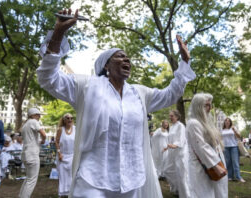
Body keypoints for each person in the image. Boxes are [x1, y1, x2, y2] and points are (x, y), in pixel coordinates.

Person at [37, 9, 196, 198]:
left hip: (131, 180)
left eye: (128, 58)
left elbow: (171, 94)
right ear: (106, 65)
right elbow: (49, 78)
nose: (126, 59)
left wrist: (185, 62)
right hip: (92, 180)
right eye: (120, 56)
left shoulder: (139, 93)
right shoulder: (87, 86)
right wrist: (58, 33)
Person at [186, 93, 228, 198]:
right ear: (198, 106)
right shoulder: (193, 123)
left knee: (218, 192)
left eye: (210, 105)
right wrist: (215, 165)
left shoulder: (206, 121)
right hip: (202, 166)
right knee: (204, 193)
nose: (210, 108)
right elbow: (201, 146)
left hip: (212, 162)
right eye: (206, 105)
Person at [19, 107, 46, 198]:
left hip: (25, 153)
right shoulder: (33, 122)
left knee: (28, 178)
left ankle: (21, 196)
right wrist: (43, 140)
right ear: (33, 115)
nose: (39, 117)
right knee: (32, 180)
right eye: (38, 115)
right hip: (32, 154)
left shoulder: (25, 124)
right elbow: (43, 134)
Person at [163, 110, 190, 198]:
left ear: (177, 116)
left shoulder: (180, 126)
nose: (170, 117)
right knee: (167, 170)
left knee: (181, 174)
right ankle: (177, 188)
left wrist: (175, 145)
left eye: (172, 116)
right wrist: (168, 146)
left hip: (180, 152)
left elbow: (182, 139)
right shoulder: (172, 127)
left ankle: (186, 194)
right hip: (172, 152)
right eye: (170, 116)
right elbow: (170, 139)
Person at [56, 113, 75, 197]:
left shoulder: (76, 129)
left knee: (72, 176)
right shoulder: (60, 129)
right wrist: (59, 153)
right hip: (62, 156)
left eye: (71, 118)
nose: (70, 120)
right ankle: (63, 194)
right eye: (67, 118)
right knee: (63, 176)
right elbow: (56, 142)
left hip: (73, 156)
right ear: (64, 120)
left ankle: (71, 193)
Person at [221, 117, 245, 182]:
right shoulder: (222, 130)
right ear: (224, 122)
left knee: (235, 162)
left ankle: (238, 177)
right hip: (226, 147)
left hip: (234, 147)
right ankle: (230, 177)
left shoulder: (233, 128)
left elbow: (239, 136)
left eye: (228, 121)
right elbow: (220, 138)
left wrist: (234, 131)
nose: (227, 122)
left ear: (230, 122)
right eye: (226, 121)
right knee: (228, 163)